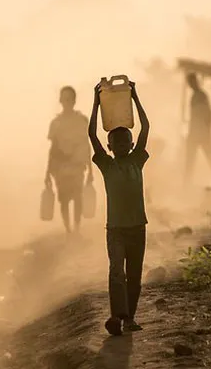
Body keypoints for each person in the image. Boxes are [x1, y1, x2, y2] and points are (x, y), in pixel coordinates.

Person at [89, 80, 150, 336]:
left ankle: (129, 319)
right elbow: (92, 135)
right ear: (110, 147)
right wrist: (96, 104)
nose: (123, 147)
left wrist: (135, 96)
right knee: (117, 273)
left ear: (132, 144)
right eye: (118, 143)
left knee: (133, 276)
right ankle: (116, 316)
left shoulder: (137, 160)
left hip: (138, 227)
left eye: (127, 142)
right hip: (115, 229)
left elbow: (146, 126)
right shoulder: (106, 164)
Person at [45, 86, 94, 233]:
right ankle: (68, 230)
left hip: (77, 165)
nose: (67, 102)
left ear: (74, 101)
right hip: (60, 167)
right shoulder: (56, 123)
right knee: (64, 199)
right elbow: (53, 149)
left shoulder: (81, 121)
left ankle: (77, 228)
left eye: (69, 99)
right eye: (64, 99)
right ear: (60, 100)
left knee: (78, 197)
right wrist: (47, 172)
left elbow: (87, 145)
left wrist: (91, 170)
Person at [184, 73, 211, 182]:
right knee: (191, 161)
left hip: (201, 133)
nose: (191, 84)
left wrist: (206, 130)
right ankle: (187, 183)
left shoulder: (200, 95)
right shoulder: (198, 95)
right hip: (197, 132)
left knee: (210, 160)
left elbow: (207, 114)